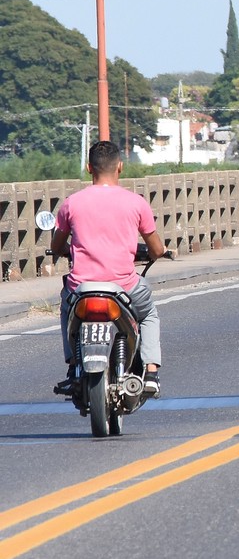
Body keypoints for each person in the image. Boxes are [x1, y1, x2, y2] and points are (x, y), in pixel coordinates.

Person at [50, 141, 170, 395]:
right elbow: (157, 249)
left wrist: (66, 249)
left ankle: (73, 365)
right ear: (120, 167)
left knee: (65, 308)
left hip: (81, 287)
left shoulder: (72, 203)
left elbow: (57, 244)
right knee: (148, 314)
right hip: (124, 286)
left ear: (88, 168)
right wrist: (157, 253)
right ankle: (150, 372)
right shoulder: (136, 203)